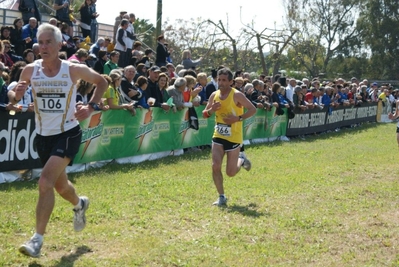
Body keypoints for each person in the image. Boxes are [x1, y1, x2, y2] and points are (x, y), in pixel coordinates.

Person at [7, 23, 108, 258]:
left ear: (59, 44)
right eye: (39, 42)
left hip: (68, 132)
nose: (43, 47)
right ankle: (80, 203)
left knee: (44, 182)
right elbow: (13, 96)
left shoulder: (72, 69)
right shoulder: (30, 71)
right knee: (61, 186)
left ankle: (37, 240)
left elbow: (102, 81)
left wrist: (91, 106)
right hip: (42, 137)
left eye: (48, 42)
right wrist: (17, 95)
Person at [202, 68, 256, 206]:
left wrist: (237, 118)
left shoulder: (237, 95)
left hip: (234, 137)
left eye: (224, 80)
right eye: (219, 80)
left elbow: (252, 109)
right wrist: (211, 110)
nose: (221, 83)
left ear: (231, 81)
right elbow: (205, 114)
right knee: (215, 166)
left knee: (230, 173)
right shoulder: (214, 95)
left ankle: (241, 160)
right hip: (218, 134)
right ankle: (221, 197)